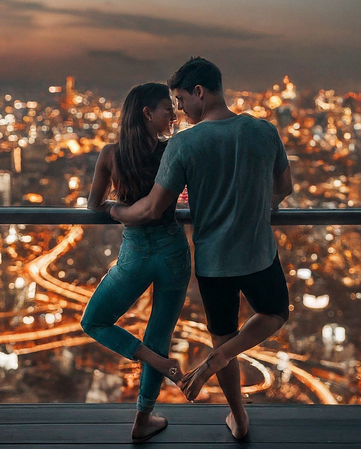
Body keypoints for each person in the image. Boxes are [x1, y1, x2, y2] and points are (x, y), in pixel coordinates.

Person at [110, 57, 292, 440]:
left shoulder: (184, 144)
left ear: (199, 92)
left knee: (221, 337)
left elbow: (154, 207)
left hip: (214, 261)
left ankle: (239, 418)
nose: (178, 110)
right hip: (259, 251)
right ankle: (227, 355)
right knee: (275, 312)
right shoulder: (264, 130)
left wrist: (116, 210)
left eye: (180, 100)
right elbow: (285, 188)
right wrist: (258, 204)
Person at [80, 83, 191, 443]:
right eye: (166, 110)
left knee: (94, 320)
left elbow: (94, 205)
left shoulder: (110, 155)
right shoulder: (172, 151)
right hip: (173, 250)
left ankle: (152, 359)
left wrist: (115, 208)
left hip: (136, 253)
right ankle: (142, 420)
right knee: (160, 334)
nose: (173, 116)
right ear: (147, 113)